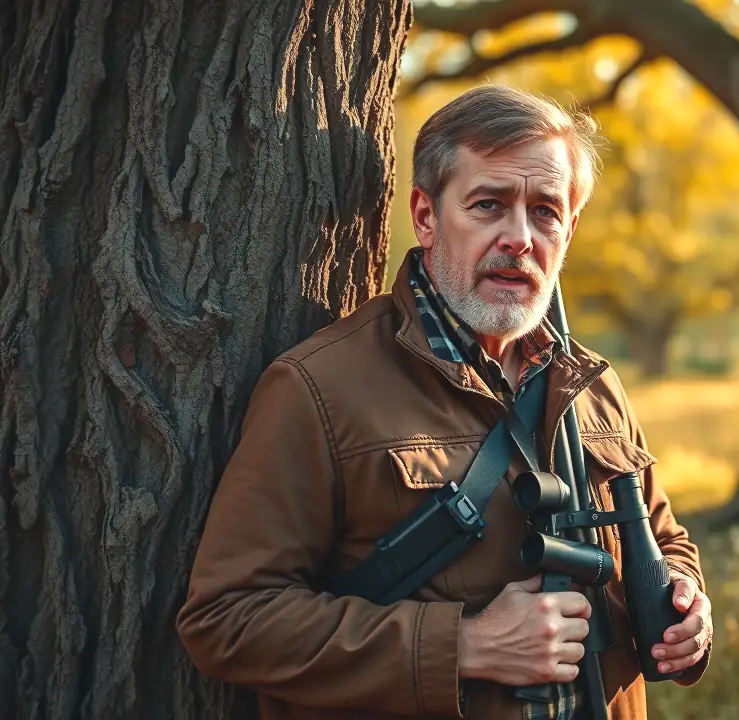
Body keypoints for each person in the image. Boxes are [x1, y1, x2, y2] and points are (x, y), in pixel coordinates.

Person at [175, 85, 711, 720]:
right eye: (488, 205)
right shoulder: (319, 387)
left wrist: (686, 605)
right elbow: (227, 620)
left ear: (569, 229)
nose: (519, 237)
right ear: (426, 216)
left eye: (545, 211)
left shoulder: (592, 383)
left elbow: (663, 537)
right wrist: (464, 645)